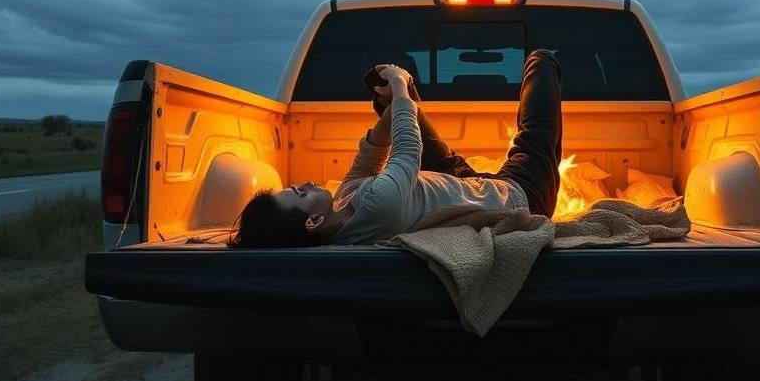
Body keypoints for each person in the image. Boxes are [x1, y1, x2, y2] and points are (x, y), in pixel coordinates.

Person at [228, 50, 562, 248]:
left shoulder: (345, 203)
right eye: (300, 193)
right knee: (535, 123)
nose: (307, 184)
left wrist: (395, 100)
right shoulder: (377, 206)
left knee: (400, 115)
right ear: (313, 221)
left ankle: (393, 97)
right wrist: (400, 84)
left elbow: (370, 155)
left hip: (460, 186)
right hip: (515, 195)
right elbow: (406, 149)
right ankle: (545, 58)